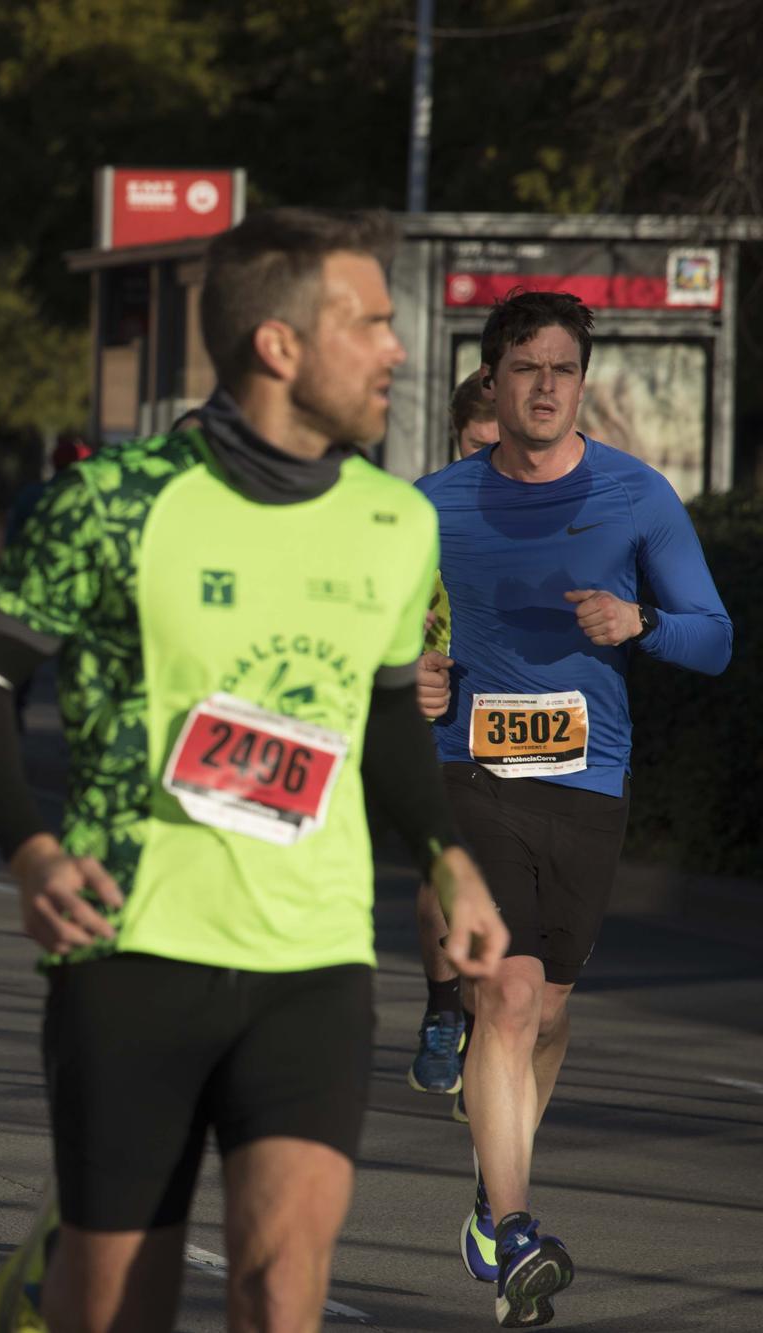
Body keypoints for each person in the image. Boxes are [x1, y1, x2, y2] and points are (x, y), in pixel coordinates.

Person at [0, 207, 508, 1333]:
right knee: (112, 1308)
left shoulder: (394, 522)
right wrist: (29, 849)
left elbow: (389, 709)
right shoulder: (113, 503)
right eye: (368, 324)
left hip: (314, 957)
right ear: (277, 345)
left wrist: (445, 858)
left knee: (277, 1289)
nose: (398, 349)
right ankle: (56, 1268)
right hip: (133, 944)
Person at [416, 289, 730, 1327]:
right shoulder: (431, 505)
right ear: (492, 381)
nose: (543, 386)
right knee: (502, 995)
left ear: (578, 380)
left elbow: (712, 638)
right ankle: (511, 1232)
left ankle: (487, 1189)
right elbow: (369, 633)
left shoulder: (636, 497)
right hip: (468, 773)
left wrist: (639, 620)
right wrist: (404, 677)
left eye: (560, 368)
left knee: (546, 1010)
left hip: (586, 782)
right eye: (524, 368)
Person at [408, 366, 503, 1102]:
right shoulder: (427, 507)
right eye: (480, 440)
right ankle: (445, 1011)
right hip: (443, 711)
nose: (493, 454)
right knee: (444, 868)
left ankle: (490, 1022)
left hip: (528, 719)